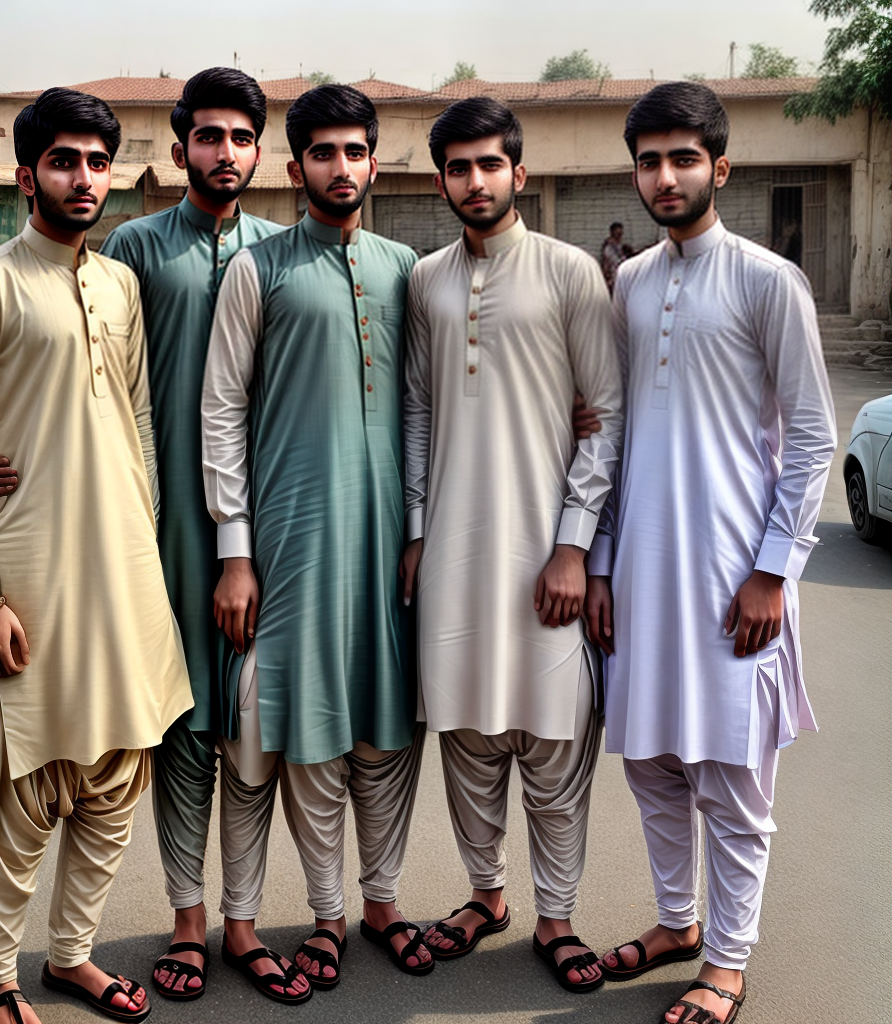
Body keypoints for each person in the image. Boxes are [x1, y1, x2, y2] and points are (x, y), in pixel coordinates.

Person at [0, 68, 299, 1004]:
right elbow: (32, 394)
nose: (225, 153)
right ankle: (173, 925)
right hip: (122, 544)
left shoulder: (279, 254)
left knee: (226, 729)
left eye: (242, 138)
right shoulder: (132, 252)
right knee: (135, 742)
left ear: (259, 153)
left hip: (241, 533)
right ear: (181, 145)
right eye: (208, 136)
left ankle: (226, 921)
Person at [0, 87, 193, 1024]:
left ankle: (70, 955)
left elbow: (141, 427)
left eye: (96, 162)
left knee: (116, 781)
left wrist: (149, 555)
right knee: (25, 796)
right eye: (65, 160)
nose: (84, 179)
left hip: (124, 575)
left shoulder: (118, 283)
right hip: (29, 582)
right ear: (25, 172)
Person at [585, 82, 836, 1024]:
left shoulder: (770, 281)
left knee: (731, 783)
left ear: (720, 167)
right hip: (644, 577)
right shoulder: (631, 282)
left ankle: (727, 963)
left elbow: (811, 436)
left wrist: (776, 568)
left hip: (737, 578)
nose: (665, 176)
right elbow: (611, 434)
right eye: (649, 160)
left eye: (684, 157)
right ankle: (677, 922)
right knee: (653, 765)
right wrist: (601, 561)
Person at [202, 83, 433, 1002]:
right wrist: (234, 550)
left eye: (355, 151)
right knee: (288, 733)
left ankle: (381, 903)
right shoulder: (258, 272)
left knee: (383, 734)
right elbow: (221, 409)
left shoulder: (403, 266)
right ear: (294, 168)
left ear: (376, 160)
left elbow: (422, 402)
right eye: (323, 153)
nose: (341, 167)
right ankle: (323, 913)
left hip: (384, 547)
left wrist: (417, 528)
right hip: (289, 547)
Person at [401, 96, 623, 994]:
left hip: (545, 554)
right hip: (454, 550)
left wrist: (574, 545)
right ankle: (487, 895)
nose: (474, 181)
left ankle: (558, 919)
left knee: (555, 736)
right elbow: (418, 408)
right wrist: (417, 531)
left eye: (490, 164)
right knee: (469, 736)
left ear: (518, 173)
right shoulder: (426, 282)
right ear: (443, 180)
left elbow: (603, 420)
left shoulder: (572, 273)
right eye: (457, 167)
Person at [600, 221, 626, 291]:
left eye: (621, 234)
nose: (620, 236)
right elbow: (606, 263)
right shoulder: (609, 247)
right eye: (618, 234)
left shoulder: (620, 246)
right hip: (613, 279)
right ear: (612, 232)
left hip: (621, 278)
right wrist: (608, 278)